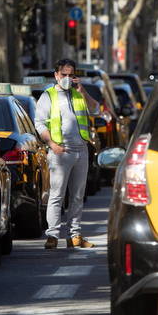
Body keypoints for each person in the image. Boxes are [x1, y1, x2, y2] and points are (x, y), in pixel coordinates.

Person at [34, 58, 100, 249]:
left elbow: (95, 109)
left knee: (78, 195)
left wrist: (83, 92)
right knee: (57, 195)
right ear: (56, 75)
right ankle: (53, 235)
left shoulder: (78, 94)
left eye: (71, 75)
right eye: (64, 75)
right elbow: (39, 123)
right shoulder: (48, 96)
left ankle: (75, 235)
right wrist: (52, 144)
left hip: (81, 150)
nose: (68, 78)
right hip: (61, 152)